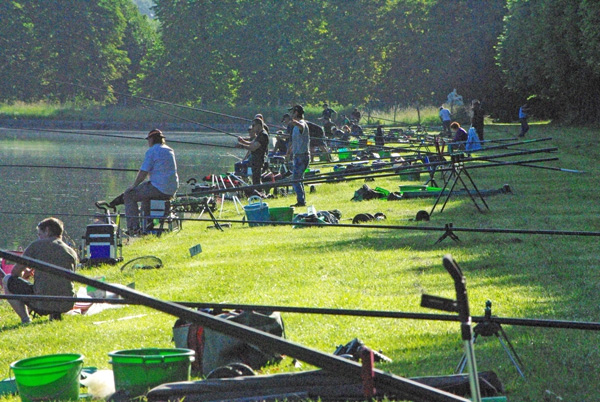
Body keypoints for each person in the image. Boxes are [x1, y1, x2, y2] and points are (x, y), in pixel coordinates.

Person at [97, 129, 179, 235]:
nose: (148, 142)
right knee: (145, 197)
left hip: (159, 188)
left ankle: (133, 228)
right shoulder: (169, 150)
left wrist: (133, 186)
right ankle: (147, 226)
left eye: (148, 139)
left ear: (152, 139)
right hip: (171, 189)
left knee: (129, 195)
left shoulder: (152, 151)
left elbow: (143, 172)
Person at [2, 218, 78, 323]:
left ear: (47, 230)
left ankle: (26, 319)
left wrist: (24, 274)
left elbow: (15, 273)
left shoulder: (36, 245)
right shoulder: (71, 251)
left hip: (42, 303)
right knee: (58, 284)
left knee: (7, 280)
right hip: (67, 303)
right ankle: (55, 315)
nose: (39, 237)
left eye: (39, 234)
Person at [286, 105, 310, 207]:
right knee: (298, 179)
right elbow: (295, 142)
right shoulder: (296, 126)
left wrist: (294, 122)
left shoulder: (301, 124)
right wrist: (288, 153)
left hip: (302, 156)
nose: (291, 114)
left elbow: (302, 127)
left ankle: (301, 201)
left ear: (296, 113)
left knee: (295, 180)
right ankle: (301, 200)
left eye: (292, 112)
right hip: (297, 156)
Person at [237, 118, 269, 187]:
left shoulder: (263, 135)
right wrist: (242, 141)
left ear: (258, 125)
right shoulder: (260, 134)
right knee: (254, 178)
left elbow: (253, 148)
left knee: (256, 179)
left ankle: (258, 193)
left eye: (253, 125)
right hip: (255, 160)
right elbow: (252, 143)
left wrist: (242, 146)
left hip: (258, 160)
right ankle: (258, 192)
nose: (253, 128)